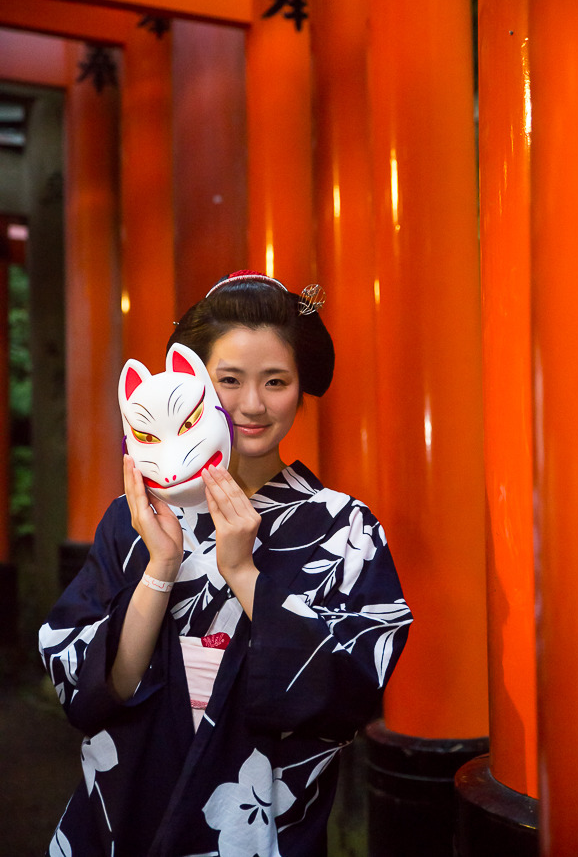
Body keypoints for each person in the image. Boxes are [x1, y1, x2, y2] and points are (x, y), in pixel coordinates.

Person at [39, 271, 413, 857]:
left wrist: (244, 574)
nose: (254, 405)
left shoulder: (346, 528)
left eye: (277, 382)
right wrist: (161, 564)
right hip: (122, 813)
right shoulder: (134, 518)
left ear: (299, 389)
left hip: (258, 826)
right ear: (193, 386)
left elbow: (348, 694)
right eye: (230, 381)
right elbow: (86, 689)